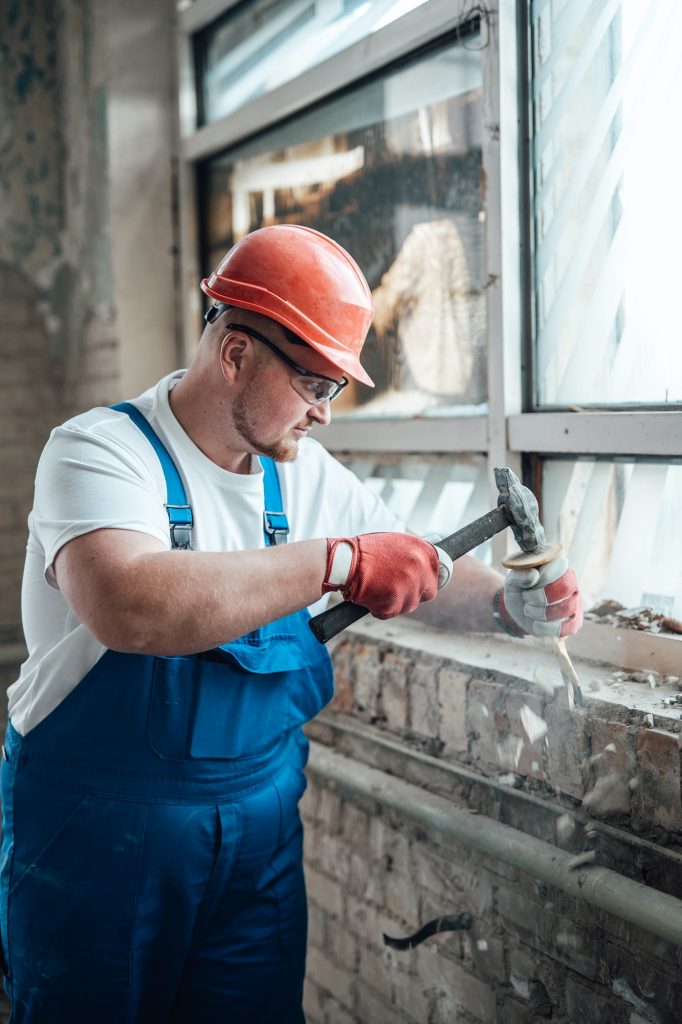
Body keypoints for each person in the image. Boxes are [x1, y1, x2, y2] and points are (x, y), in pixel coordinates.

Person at [0, 224, 582, 1023]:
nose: (323, 415)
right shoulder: (100, 453)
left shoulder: (297, 473)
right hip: (98, 836)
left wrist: (503, 605)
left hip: (257, 834)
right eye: (316, 385)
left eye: (333, 390)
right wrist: (334, 563)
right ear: (235, 353)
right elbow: (127, 603)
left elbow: (410, 560)